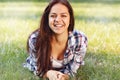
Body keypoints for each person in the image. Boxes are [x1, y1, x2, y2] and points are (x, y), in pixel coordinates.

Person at [23, 0, 88, 80]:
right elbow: (37, 68)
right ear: (47, 18)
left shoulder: (80, 39)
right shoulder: (35, 39)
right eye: (53, 16)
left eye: (63, 16)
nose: (57, 19)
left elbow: (72, 70)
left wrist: (64, 77)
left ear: (70, 19)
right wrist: (48, 74)